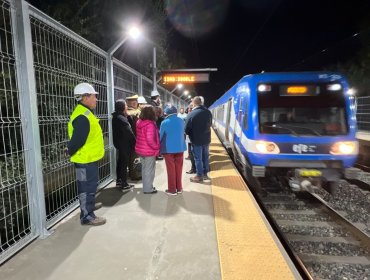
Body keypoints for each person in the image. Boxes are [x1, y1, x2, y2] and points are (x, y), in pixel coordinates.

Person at [67, 82, 106, 226]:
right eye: (94, 96)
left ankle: (89, 206)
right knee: (86, 187)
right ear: (85, 97)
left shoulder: (85, 112)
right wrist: (69, 150)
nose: (96, 99)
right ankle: (87, 216)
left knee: (91, 185)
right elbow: (78, 140)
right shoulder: (82, 116)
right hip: (84, 159)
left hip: (89, 158)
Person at [160, 105, 187, 195]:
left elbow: (160, 136)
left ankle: (172, 190)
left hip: (169, 149)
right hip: (180, 148)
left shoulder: (164, 122)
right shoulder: (181, 121)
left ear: (167, 113)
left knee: (171, 169)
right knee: (179, 168)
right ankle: (179, 188)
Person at [185, 96, 213, 183]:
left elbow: (186, 129)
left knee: (198, 158)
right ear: (201, 103)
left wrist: (190, 134)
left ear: (194, 103)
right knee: (205, 157)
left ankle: (199, 175)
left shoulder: (191, 114)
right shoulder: (208, 112)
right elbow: (210, 124)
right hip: (206, 139)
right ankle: (205, 174)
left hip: (196, 140)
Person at [135, 106, 160, 194]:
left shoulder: (139, 122)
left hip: (141, 149)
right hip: (149, 151)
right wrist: (156, 146)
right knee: (149, 170)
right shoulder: (150, 124)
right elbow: (150, 140)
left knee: (145, 169)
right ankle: (148, 188)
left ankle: (146, 186)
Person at [112, 99, 136, 191]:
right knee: (124, 163)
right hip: (124, 144)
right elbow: (129, 131)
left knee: (120, 161)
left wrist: (128, 116)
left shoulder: (117, 116)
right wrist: (135, 143)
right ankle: (124, 184)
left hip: (119, 143)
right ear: (122, 107)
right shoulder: (121, 118)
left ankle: (119, 180)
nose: (127, 107)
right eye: (125, 105)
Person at [126, 94, 142, 181]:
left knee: (128, 157)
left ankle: (130, 173)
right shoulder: (136, 113)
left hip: (126, 140)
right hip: (135, 138)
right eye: (135, 102)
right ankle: (135, 175)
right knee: (135, 158)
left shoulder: (125, 112)